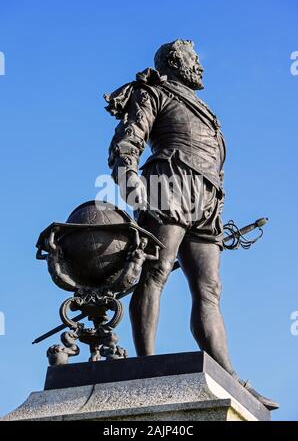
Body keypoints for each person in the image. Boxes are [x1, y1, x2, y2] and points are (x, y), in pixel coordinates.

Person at [105, 39, 278, 410]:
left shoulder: (203, 108)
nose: (200, 65)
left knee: (210, 288)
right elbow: (128, 139)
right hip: (169, 184)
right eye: (194, 59)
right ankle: (145, 364)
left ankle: (228, 375)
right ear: (174, 61)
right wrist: (129, 177)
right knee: (156, 271)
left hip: (206, 199)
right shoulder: (153, 91)